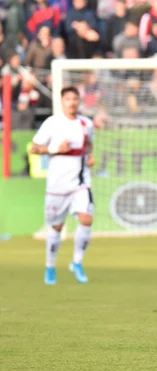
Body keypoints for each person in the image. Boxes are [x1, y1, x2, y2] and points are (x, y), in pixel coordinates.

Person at [30, 87, 95, 285]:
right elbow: (34, 148)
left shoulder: (87, 123)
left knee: (86, 219)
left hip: (80, 183)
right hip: (57, 185)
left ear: (79, 101)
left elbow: (89, 144)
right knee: (56, 227)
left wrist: (90, 156)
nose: (72, 102)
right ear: (62, 101)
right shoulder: (52, 123)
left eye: (75, 99)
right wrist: (55, 149)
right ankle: (50, 266)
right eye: (68, 99)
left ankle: (77, 262)